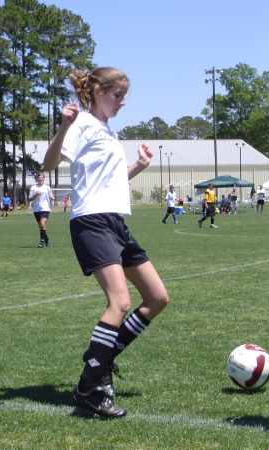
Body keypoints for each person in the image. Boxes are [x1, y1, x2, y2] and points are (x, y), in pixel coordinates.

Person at [43, 67, 169, 419]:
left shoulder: (108, 131)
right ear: (98, 91)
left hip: (114, 221)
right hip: (91, 221)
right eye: (118, 95)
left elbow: (110, 180)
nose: (123, 101)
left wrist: (139, 166)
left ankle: (102, 361)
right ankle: (89, 385)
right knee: (121, 301)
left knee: (157, 298)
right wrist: (64, 126)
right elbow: (49, 163)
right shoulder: (81, 123)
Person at [28, 172, 55, 248]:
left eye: (42, 177)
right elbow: (30, 199)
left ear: (44, 178)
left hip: (45, 208)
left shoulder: (47, 187)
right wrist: (36, 194)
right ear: (37, 179)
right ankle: (46, 239)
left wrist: (52, 197)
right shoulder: (33, 188)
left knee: (42, 224)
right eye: (39, 177)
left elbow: (50, 195)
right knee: (41, 226)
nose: (41, 179)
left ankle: (42, 242)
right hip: (36, 209)